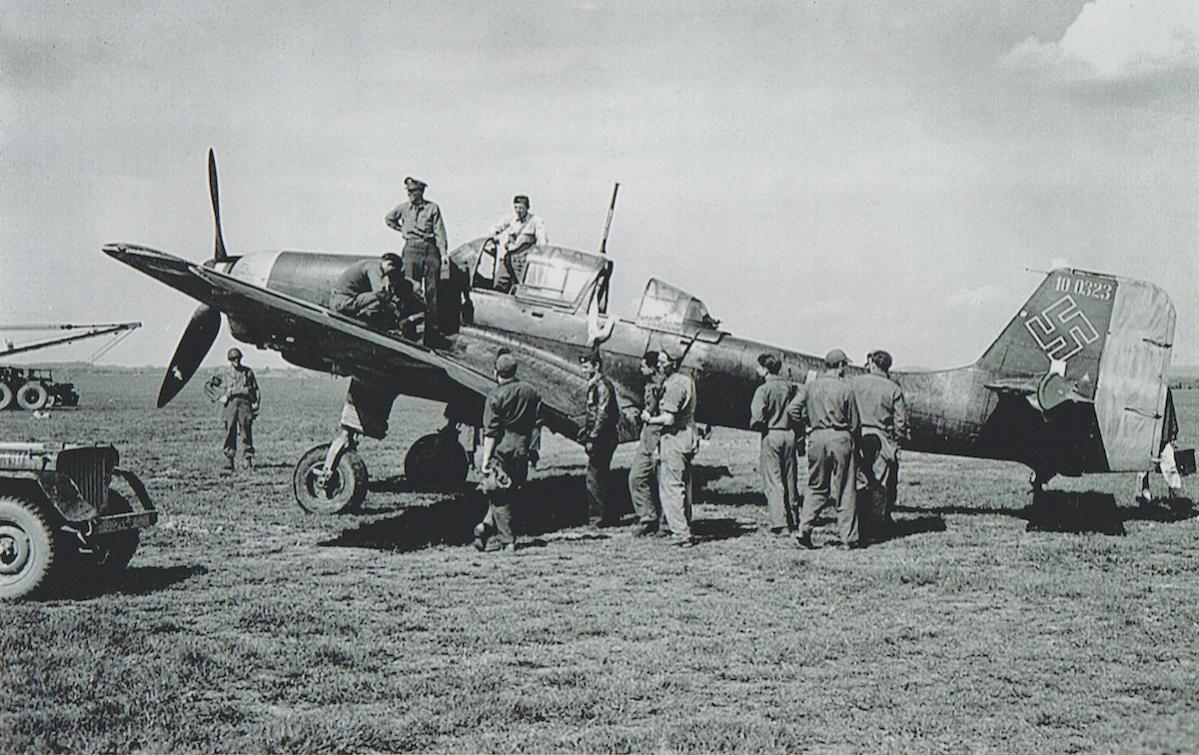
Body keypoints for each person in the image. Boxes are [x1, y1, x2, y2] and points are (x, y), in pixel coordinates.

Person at [474, 352, 543, 553]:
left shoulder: (495, 396)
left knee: (499, 494)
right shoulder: (531, 391)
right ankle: (484, 528)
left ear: (496, 371)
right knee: (510, 491)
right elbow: (537, 424)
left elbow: (491, 432)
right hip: (522, 447)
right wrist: (534, 449)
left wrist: (486, 459)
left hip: (501, 448)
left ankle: (508, 541)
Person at [794, 349, 861, 550]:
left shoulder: (810, 387)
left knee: (816, 486)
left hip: (816, 437)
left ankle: (803, 530)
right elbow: (855, 423)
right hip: (840, 438)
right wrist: (855, 442)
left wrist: (808, 423)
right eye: (845, 365)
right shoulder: (845, 389)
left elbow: (793, 409)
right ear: (840, 366)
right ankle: (849, 538)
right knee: (845, 489)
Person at [851, 350, 909, 540]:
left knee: (858, 482)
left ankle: (857, 524)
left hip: (859, 436)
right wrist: (896, 442)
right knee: (879, 486)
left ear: (873, 364)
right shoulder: (893, 389)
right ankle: (875, 528)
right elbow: (900, 422)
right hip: (882, 438)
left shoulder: (855, 382)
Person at [384, 177, 450, 346]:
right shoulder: (403, 209)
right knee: (408, 290)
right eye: (409, 192)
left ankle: (432, 335)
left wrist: (443, 255)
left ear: (421, 192)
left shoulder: (432, 208)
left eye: (415, 192)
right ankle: (408, 332)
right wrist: (402, 230)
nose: (411, 195)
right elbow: (389, 219)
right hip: (411, 249)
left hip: (429, 250)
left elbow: (440, 232)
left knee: (431, 292)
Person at [645, 345, 699, 547]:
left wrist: (649, 419)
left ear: (673, 363)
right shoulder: (687, 380)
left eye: (662, 361)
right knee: (684, 485)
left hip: (674, 439)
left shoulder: (674, 384)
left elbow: (668, 419)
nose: (659, 364)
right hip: (687, 437)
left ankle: (681, 534)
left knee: (671, 487)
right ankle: (685, 527)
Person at [749, 353, 799, 534]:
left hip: (772, 435)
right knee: (790, 479)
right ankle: (794, 519)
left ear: (765, 369)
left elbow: (757, 418)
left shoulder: (763, 390)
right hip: (790, 435)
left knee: (774, 480)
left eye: (759, 367)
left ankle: (780, 523)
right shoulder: (790, 387)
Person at [579, 350, 620, 526]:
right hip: (604, 435)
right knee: (600, 475)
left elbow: (602, 414)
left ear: (596, 365)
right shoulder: (598, 384)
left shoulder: (602, 386)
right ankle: (608, 515)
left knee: (594, 477)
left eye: (586, 366)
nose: (583, 370)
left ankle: (597, 519)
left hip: (602, 437)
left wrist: (592, 437)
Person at [628, 351, 665, 536]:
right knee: (636, 477)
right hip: (647, 436)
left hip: (660, 438)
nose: (640, 369)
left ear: (652, 368)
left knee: (664, 481)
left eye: (644, 366)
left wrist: (649, 417)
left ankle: (666, 523)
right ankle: (648, 518)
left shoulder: (663, 387)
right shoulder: (650, 385)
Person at [205, 347, 260, 472]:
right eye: (233, 359)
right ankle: (229, 460)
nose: (236, 361)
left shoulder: (247, 372)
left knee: (246, 431)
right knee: (230, 431)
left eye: (238, 358)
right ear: (229, 360)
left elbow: (255, 389)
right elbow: (208, 386)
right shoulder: (223, 373)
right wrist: (219, 397)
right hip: (230, 405)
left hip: (245, 405)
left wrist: (255, 403)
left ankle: (248, 459)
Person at [329, 253, 416, 329]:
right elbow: (380, 292)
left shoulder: (370, 264)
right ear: (390, 265)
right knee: (378, 298)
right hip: (341, 303)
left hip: (342, 300)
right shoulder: (374, 267)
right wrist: (395, 308)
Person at [490, 195, 547, 293]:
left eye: (521, 208)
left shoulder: (536, 221)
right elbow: (496, 228)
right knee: (499, 285)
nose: (518, 211)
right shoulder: (510, 218)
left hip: (523, 262)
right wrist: (493, 236)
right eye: (515, 207)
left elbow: (542, 240)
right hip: (507, 259)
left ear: (527, 207)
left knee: (520, 289)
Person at [1137, 387, 1184, 504]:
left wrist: (1173, 435)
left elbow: (1170, 412)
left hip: (1163, 437)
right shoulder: (1143, 388)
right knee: (1143, 468)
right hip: (1146, 437)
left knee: (1171, 466)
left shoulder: (1165, 390)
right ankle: (1144, 495)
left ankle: (1175, 496)